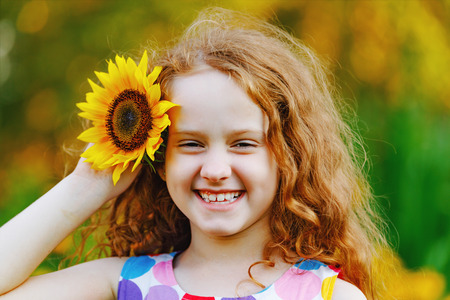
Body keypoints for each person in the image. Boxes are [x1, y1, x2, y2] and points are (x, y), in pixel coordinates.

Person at [0, 7, 386, 300]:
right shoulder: (125, 282)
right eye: (191, 143)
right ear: (160, 160)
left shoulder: (326, 294)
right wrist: (87, 184)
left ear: (289, 155)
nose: (216, 169)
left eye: (243, 143)